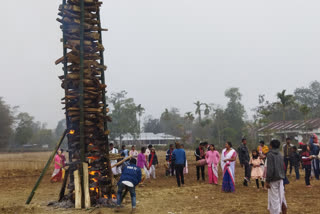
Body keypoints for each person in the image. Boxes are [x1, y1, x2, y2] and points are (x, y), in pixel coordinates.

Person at [266, 139, 287, 214]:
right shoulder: (280, 154)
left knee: (274, 199)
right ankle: (284, 211)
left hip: (273, 179)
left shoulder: (270, 154)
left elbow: (270, 169)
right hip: (280, 178)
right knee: (282, 197)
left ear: (271, 146)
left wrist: (267, 180)